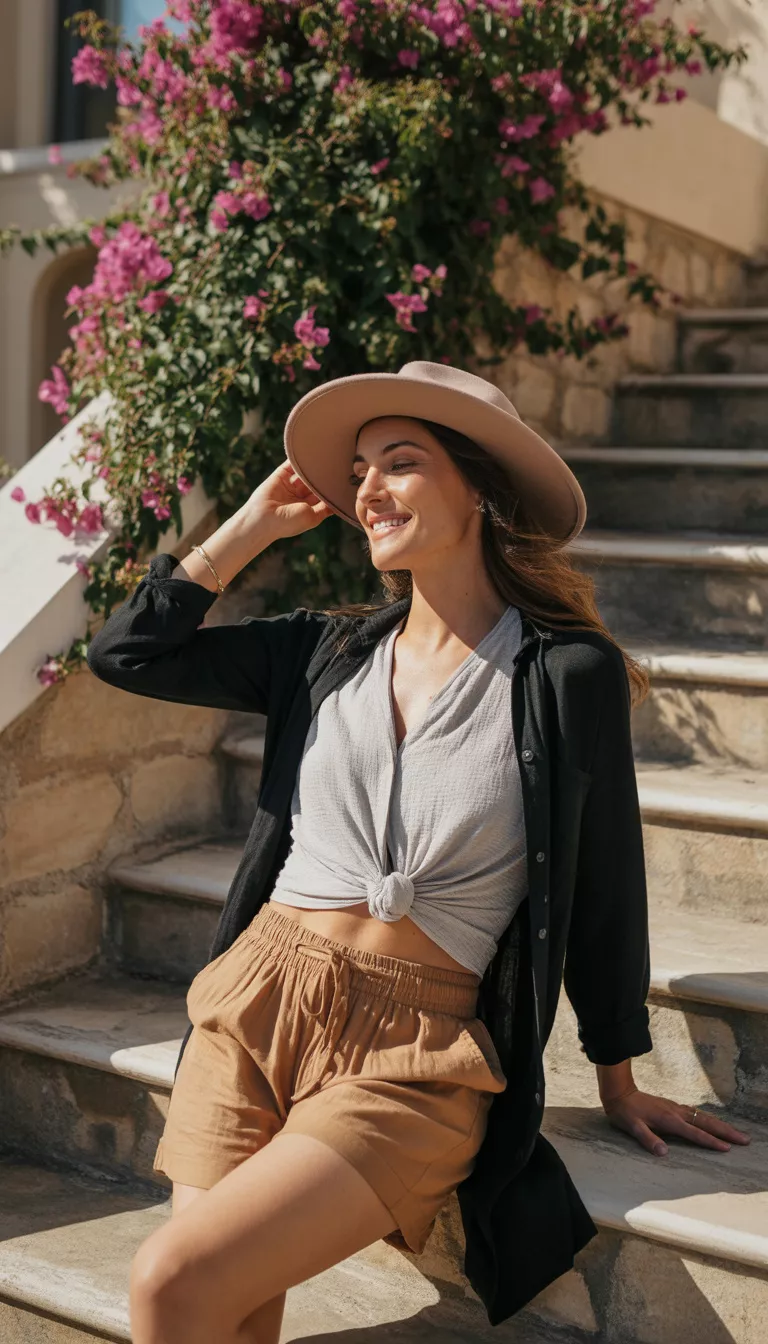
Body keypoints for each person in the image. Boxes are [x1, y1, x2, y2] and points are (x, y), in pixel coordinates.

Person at [86, 361, 750, 1344]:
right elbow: (126, 654)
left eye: (401, 463)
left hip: (411, 1052)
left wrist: (616, 1070)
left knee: (172, 1281)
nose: (366, 490)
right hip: (253, 1010)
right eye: (359, 470)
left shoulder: (564, 674)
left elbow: (603, 878)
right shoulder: (323, 651)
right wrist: (249, 528)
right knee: (222, 1308)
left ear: (479, 486)